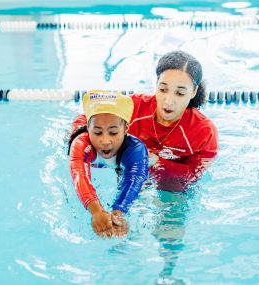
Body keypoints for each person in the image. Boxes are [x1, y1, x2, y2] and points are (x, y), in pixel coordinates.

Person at [128, 50, 218, 191]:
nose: (168, 101)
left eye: (180, 93)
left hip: (172, 184)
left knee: (174, 193)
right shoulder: (134, 107)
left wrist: (157, 162)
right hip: (132, 173)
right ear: (156, 84)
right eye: (163, 89)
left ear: (193, 92)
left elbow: (194, 174)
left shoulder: (203, 131)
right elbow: (90, 116)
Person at [68, 90, 149, 238]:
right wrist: (96, 211)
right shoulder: (81, 143)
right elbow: (79, 175)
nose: (105, 141)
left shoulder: (136, 148)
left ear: (126, 129)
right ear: (89, 129)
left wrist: (118, 213)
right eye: (97, 133)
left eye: (113, 133)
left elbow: (135, 180)